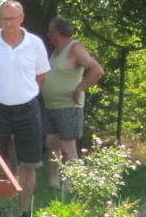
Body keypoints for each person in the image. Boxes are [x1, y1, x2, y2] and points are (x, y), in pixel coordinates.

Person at [0, 0, 50, 217]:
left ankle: (25, 213)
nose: (8, 23)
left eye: (12, 18)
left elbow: (42, 77)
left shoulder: (35, 43)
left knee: (28, 163)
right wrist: (2, 93)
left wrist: (22, 93)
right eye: (4, 18)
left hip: (28, 109)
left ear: (21, 18)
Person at [42, 17, 104, 189]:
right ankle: (54, 182)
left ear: (56, 33)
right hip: (51, 106)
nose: (47, 35)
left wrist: (80, 88)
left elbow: (97, 69)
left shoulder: (75, 48)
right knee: (51, 144)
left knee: (68, 146)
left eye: (49, 32)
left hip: (68, 105)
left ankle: (71, 184)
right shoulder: (55, 51)